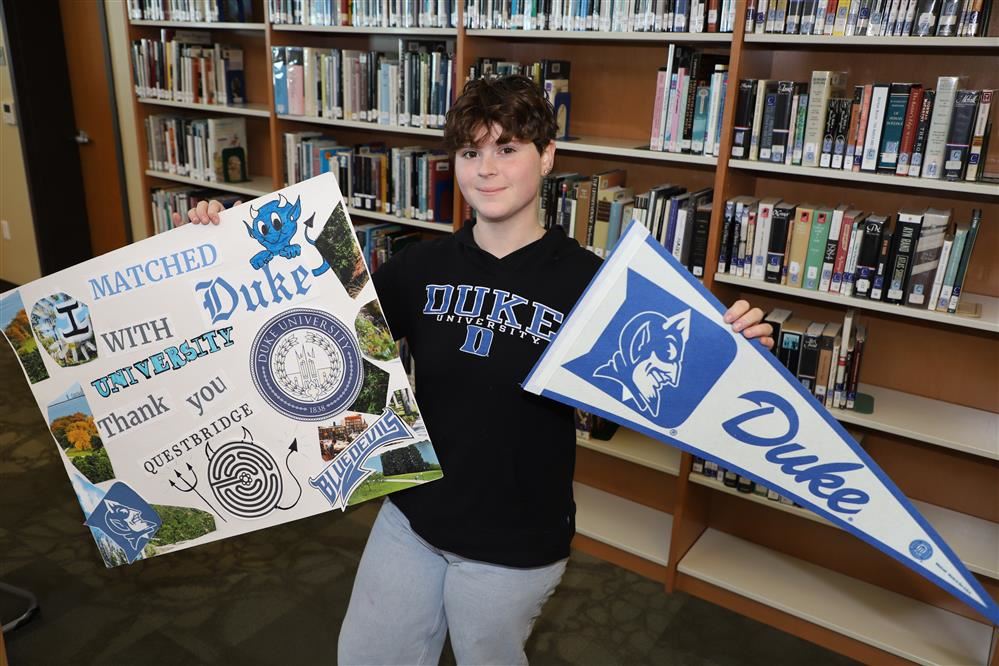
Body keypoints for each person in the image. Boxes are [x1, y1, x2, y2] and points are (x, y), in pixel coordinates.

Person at [176, 74, 774, 666]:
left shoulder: (594, 285)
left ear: (547, 158)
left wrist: (738, 345)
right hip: (413, 510)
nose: (486, 168)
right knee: (364, 656)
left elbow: (677, 379)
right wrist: (221, 248)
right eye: (470, 152)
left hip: (516, 539)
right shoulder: (420, 266)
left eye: (507, 149)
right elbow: (310, 329)